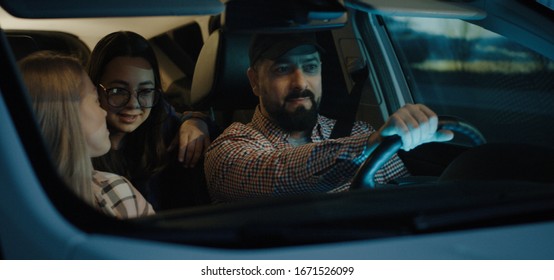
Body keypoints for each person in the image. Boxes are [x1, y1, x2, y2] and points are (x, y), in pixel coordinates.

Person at [204, 33, 454, 202]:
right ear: (254, 81)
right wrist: (370, 145)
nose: (300, 83)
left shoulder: (359, 131)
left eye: (310, 67)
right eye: (282, 69)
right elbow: (277, 174)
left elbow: (402, 196)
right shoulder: (228, 150)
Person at [87, 31, 217, 210]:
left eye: (146, 91)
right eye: (118, 91)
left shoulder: (162, 124)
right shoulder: (78, 148)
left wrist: (195, 120)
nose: (133, 105)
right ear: (95, 89)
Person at [19, 51, 154, 218]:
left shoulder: (17, 201)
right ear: (66, 114)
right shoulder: (115, 192)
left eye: (146, 90)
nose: (103, 112)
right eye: (96, 100)